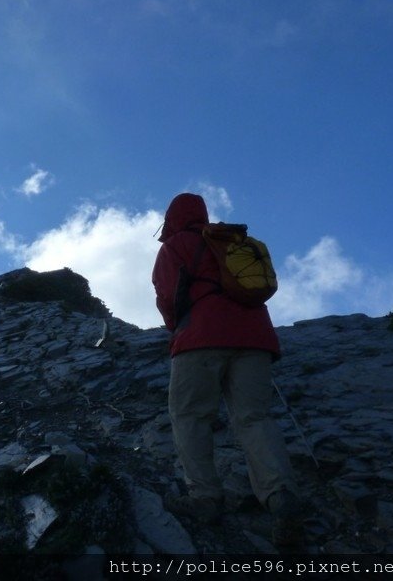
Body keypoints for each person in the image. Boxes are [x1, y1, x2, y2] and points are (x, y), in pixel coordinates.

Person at [151, 192, 304, 545]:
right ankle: (281, 497)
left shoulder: (177, 245)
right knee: (255, 418)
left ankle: (205, 498)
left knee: (190, 415)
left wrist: (176, 327)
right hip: (256, 338)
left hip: (201, 338)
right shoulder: (232, 242)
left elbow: (168, 294)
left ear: (172, 217)